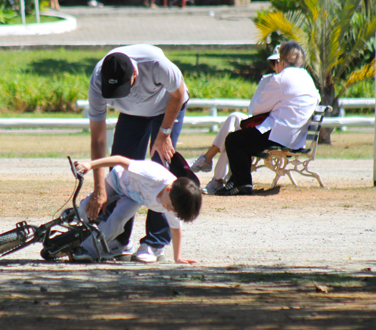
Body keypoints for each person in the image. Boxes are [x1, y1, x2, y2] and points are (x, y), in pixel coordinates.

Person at [87, 44, 189, 263]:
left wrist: (164, 133)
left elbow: (178, 93)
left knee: (161, 171)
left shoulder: (155, 63)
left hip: (167, 108)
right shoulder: (98, 78)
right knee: (119, 174)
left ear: (135, 73)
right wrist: (99, 189)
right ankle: (118, 241)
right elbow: (98, 139)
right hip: (132, 114)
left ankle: (155, 242)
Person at [215, 41, 320, 196]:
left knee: (234, 139)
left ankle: (242, 183)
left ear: (281, 61)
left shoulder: (280, 79)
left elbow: (257, 109)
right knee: (242, 138)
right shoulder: (307, 77)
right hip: (298, 136)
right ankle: (236, 181)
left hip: (279, 136)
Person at [72, 155, 202, 264]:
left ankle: (87, 250)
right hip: (118, 180)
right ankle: (75, 214)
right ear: (168, 189)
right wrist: (89, 164)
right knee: (87, 209)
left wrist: (177, 257)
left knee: (117, 221)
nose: (167, 210)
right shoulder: (153, 177)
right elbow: (119, 160)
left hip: (133, 197)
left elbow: (175, 228)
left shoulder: (173, 200)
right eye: (168, 206)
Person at [190, 45, 282, 194]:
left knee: (233, 135)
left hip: (269, 127)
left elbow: (264, 108)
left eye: (279, 61)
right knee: (234, 118)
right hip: (259, 122)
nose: (277, 65)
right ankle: (216, 177)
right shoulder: (267, 80)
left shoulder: (287, 82)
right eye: (275, 62)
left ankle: (211, 166)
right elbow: (254, 108)